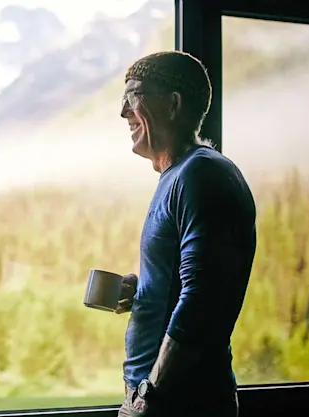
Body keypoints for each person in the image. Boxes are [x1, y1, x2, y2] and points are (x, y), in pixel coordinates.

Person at [115, 51, 257, 417]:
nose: (123, 112)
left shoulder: (202, 175)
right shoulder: (179, 175)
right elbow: (187, 282)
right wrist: (146, 290)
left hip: (179, 403)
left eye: (133, 97)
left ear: (174, 104)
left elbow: (200, 304)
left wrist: (151, 394)